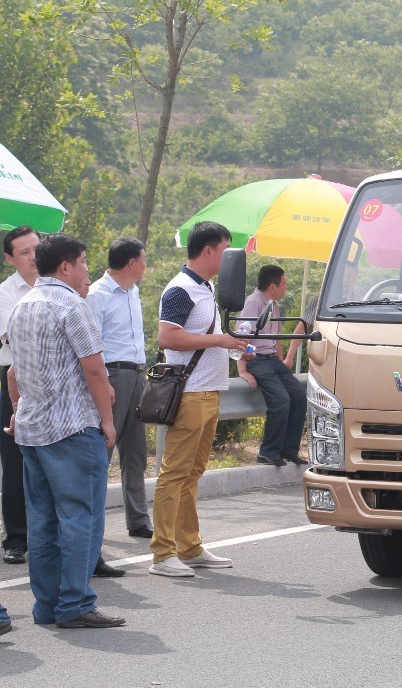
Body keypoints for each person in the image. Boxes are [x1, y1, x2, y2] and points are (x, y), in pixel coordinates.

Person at [6, 232, 125, 628]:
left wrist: (18, 410)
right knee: (80, 517)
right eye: (83, 262)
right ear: (65, 266)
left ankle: (47, 606)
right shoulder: (72, 305)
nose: (86, 269)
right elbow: (95, 369)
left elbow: (13, 372)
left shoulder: (22, 306)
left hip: (33, 431)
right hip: (72, 428)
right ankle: (75, 604)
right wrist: (107, 420)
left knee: (42, 522)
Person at [149, 221, 246, 578]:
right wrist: (219, 340)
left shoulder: (205, 287)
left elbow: (203, 336)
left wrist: (232, 343)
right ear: (208, 251)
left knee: (191, 474)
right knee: (174, 475)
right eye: (225, 250)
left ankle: (189, 547)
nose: (229, 258)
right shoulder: (181, 289)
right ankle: (163, 554)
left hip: (209, 392)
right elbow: (167, 338)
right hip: (190, 394)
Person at [85, 237, 152, 541]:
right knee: (104, 451)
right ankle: (91, 524)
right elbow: (91, 344)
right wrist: (103, 385)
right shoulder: (97, 294)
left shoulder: (133, 291)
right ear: (131, 263)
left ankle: (138, 520)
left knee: (136, 452)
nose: (146, 265)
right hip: (112, 376)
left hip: (137, 374)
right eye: (143, 259)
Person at [239, 265, 308, 467]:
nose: (286, 287)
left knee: (299, 395)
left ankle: (289, 450)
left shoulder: (273, 304)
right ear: (272, 286)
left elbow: (275, 337)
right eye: (283, 283)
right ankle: (268, 452)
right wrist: (243, 370)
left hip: (272, 361)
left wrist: (282, 362)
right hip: (257, 360)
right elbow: (242, 338)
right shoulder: (253, 303)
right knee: (281, 399)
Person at [0, 225, 38, 566]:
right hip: (14, 376)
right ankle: (15, 538)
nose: (33, 257)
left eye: (36, 249)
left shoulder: (57, 284)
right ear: (10, 258)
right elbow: (14, 335)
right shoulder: (5, 292)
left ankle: (49, 536)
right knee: (14, 460)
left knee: (54, 457)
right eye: (24, 252)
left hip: (53, 376)